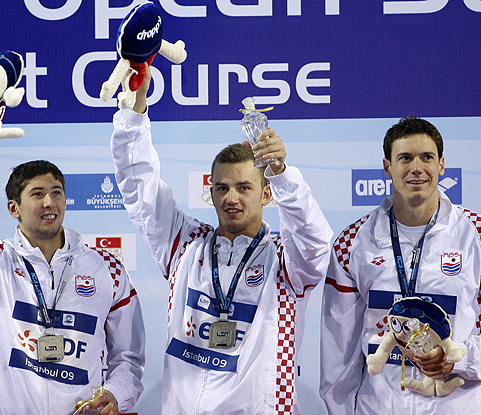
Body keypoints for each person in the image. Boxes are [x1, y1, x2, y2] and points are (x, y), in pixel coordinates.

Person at [110, 67, 333, 414]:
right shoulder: (185, 246)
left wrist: (282, 173)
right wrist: (135, 113)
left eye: (245, 187)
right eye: (222, 187)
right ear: (210, 191)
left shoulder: (286, 262)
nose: (232, 198)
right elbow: (140, 186)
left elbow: (314, 239)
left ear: (266, 195)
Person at [0, 95, 146, 415]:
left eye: (56, 193)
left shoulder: (107, 268)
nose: (49, 202)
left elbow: (128, 356)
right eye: (37, 194)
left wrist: (116, 394)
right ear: (13, 208)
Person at [320, 116, 481, 414]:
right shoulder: (352, 242)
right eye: (405, 158)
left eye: (427, 158)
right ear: (387, 167)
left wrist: (462, 358)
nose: (416, 168)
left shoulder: (476, 235)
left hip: (456, 405)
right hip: (379, 407)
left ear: (441, 166)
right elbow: (338, 355)